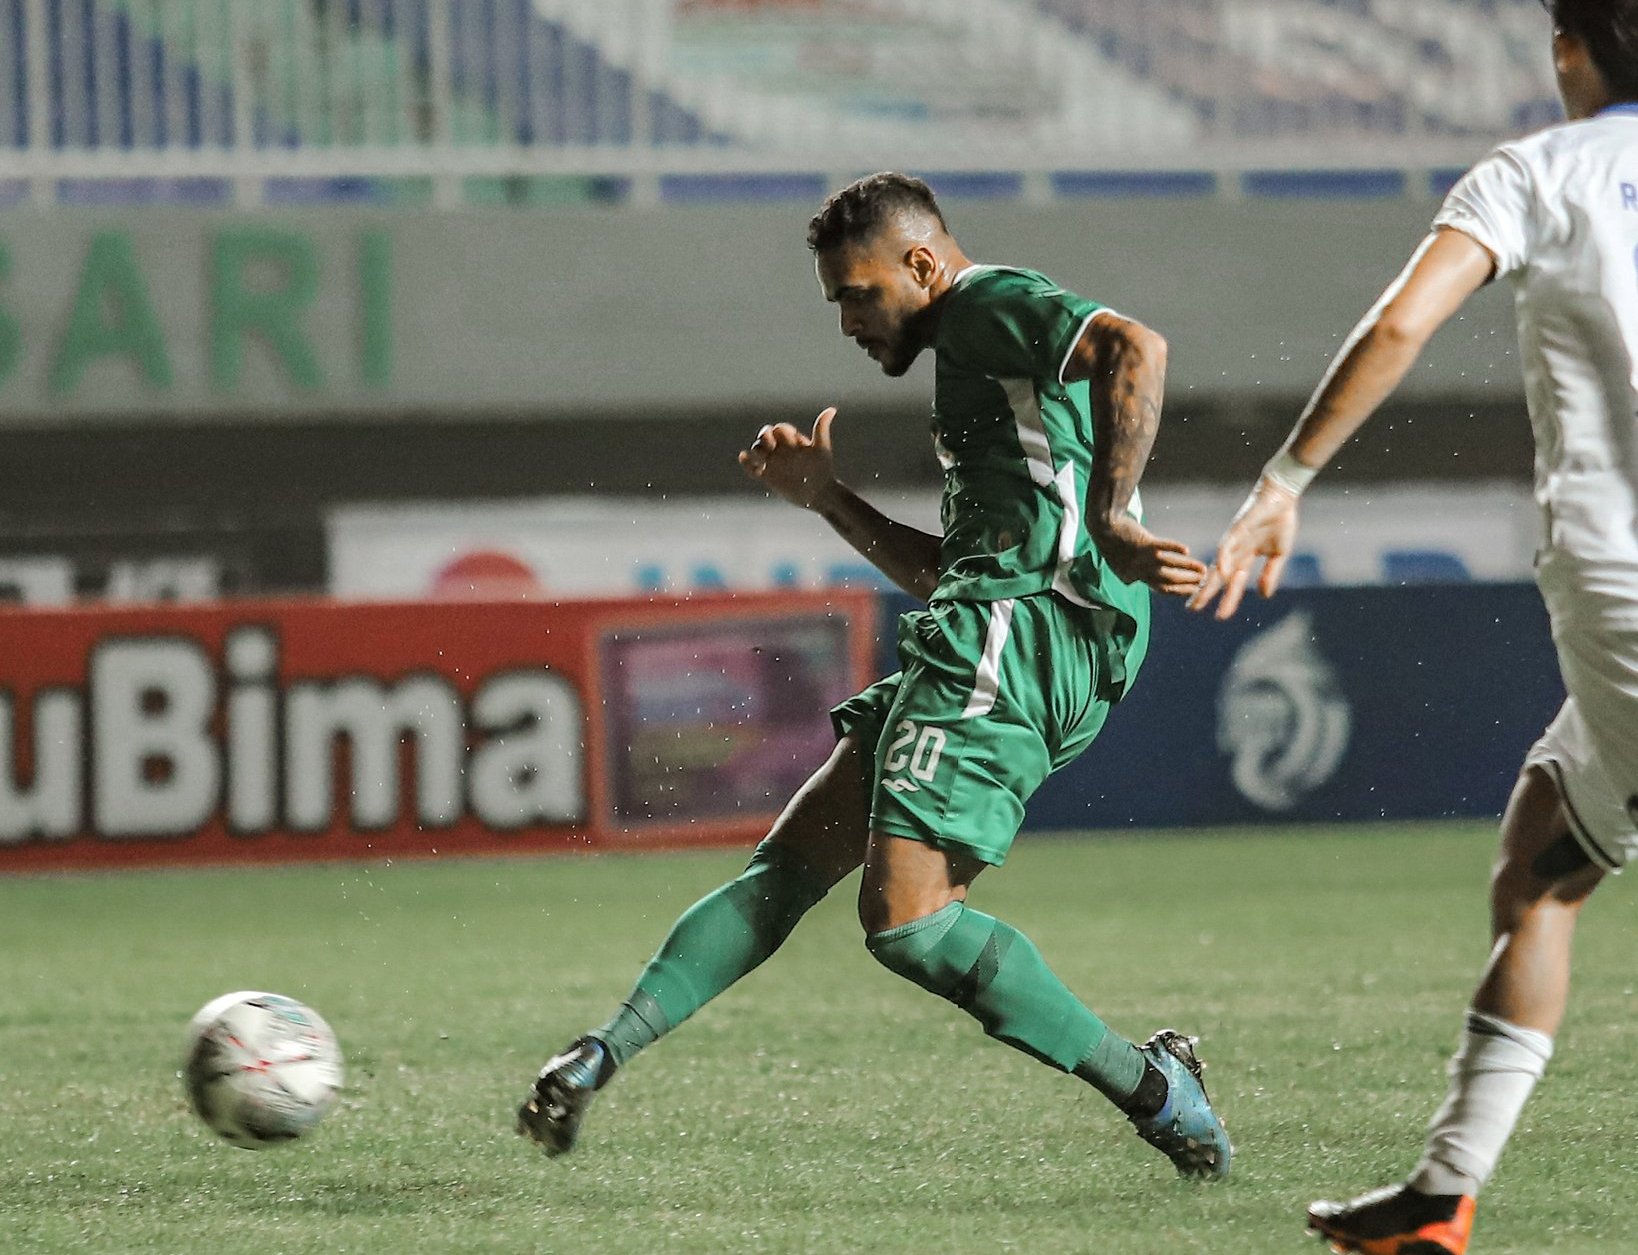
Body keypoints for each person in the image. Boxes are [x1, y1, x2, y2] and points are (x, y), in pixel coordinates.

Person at [516, 171, 1231, 1178]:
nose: (849, 321)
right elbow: (953, 569)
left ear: (923, 264)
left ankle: (1156, 1090)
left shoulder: (983, 304)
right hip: (996, 626)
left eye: (859, 294)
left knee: (907, 919)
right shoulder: (977, 371)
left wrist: (1112, 512)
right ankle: (598, 1054)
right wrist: (827, 498)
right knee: (788, 867)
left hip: (1023, 632)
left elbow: (1134, 346)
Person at [1188, 3, 1638, 1250]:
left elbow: (1400, 322)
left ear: (1570, 50)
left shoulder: (1537, 172)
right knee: (1546, 848)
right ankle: (1442, 1195)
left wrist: (1284, 477)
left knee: (1546, 863)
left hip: (1623, 585)